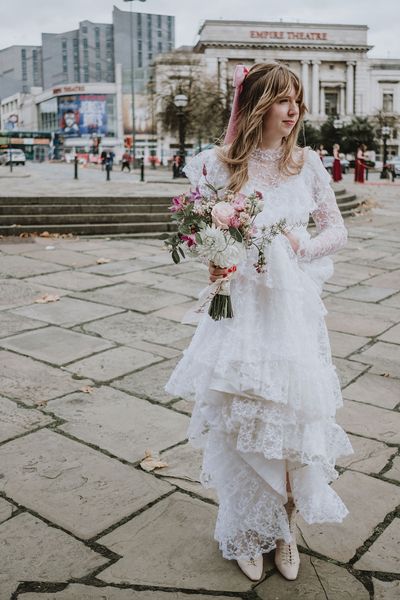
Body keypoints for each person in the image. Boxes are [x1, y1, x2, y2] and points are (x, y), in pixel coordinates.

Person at [165, 63, 352, 583]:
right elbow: (195, 233)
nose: (294, 111)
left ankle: (285, 529)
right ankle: (246, 529)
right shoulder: (217, 165)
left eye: (298, 101)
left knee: (290, 419)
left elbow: (335, 230)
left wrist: (302, 246)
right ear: (257, 105)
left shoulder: (307, 164)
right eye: (283, 100)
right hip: (240, 310)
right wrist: (213, 255)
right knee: (238, 418)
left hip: (292, 310)